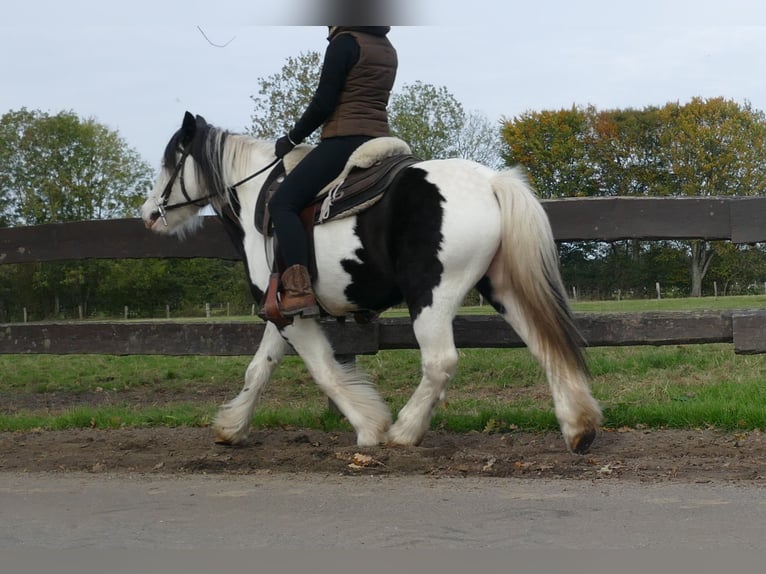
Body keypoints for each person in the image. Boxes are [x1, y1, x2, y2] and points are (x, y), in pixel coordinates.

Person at [269, 26, 398, 317]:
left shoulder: (344, 43)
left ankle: (298, 290)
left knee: (282, 203)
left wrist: (291, 138)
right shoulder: (387, 48)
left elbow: (324, 104)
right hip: (379, 139)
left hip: (345, 139)